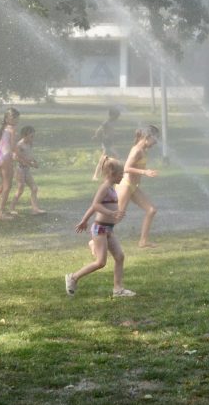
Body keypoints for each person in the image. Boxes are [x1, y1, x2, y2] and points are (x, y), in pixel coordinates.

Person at [65, 154, 134, 298]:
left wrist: (84, 220)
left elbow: (93, 207)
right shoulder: (104, 187)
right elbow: (95, 205)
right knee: (101, 262)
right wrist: (111, 213)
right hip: (100, 229)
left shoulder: (111, 187)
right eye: (121, 174)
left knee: (120, 257)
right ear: (112, 174)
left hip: (108, 229)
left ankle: (118, 289)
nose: (123, 177)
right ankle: (73, 277)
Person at [119, 125, 161, 247]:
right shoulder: (137, 150)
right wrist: (145, 172)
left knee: (151, 210)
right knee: (117, 217)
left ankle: (143, 241)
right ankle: (94, 240)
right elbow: (126, 168)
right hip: (125, 186)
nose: (156, 142)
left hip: (133, 186)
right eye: (155, 139)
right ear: (147, 137)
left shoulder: (143, 150)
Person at [10, 125, 46, 215]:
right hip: (20, 169)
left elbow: (29, 155)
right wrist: (28, 163)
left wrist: (34, 161)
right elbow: (15, 157)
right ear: (24, 136)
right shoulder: (19, 145)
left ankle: (35, 209)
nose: (33, 138)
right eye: (31, 136)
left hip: (27, 170)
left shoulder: (29, 144)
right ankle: (11, 208)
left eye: (33, 136)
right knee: (20, 189)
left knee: (34, 188)